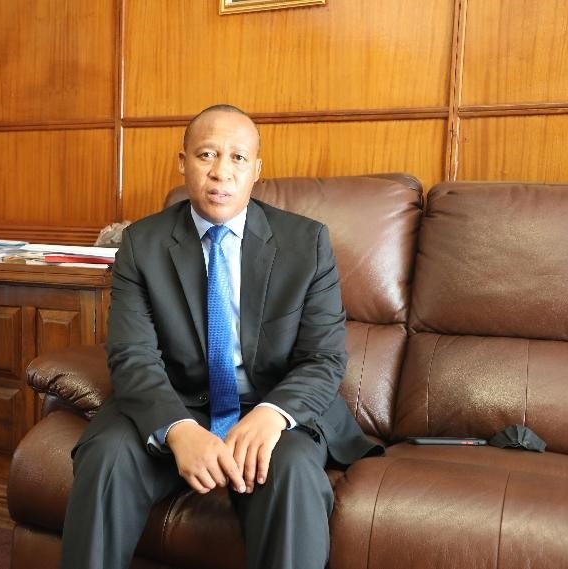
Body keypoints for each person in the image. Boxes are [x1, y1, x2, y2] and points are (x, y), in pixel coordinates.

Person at [61, 104, 381, 569]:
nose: (221, 172)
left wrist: (273, 415)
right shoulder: (142, 244)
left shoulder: (306, 244)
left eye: (238, 158)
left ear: (256, 171)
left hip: (269, 406)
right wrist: (178, 428)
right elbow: (132, 355)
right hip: (176, 401)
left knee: (291, 472)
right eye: (207, 154)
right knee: (106, 455)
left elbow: (324, 358)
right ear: (183, 162)